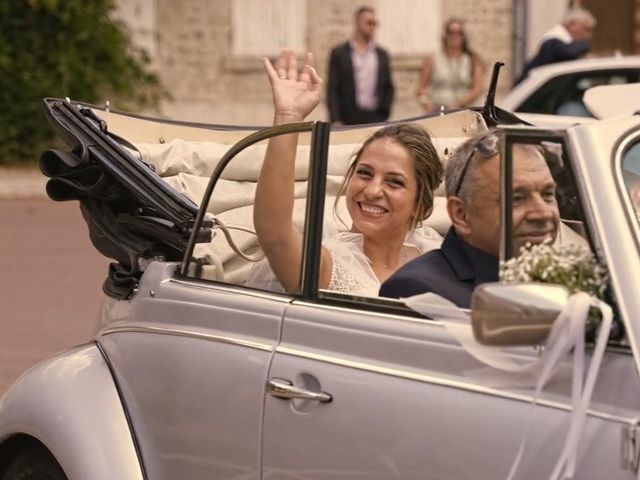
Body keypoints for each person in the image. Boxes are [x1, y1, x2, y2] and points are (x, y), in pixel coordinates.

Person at [251, 51, 443, 297]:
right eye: (364, 173)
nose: (372, 191)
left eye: (394, 182)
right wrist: (288, 118)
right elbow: (274, 232)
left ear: (420, 204)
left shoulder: (434, 257)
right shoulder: (326, 265)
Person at [379, 130, 560, 307]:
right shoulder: (418, 290)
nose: (543, 213)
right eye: (516, 199)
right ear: (461, 215)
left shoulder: (568, 274)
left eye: (547, 195)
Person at [326, 5, 394, 125]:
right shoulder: (340, 53)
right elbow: (333, 89)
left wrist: (385, 112)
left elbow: (388, 86)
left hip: (375, 116)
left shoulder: (382, 54)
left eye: (374, 23)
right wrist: (335, 118)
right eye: (368, 22)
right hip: (348, 117)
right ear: (357, 22)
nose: (372, 26)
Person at [415, 18, 485, 114]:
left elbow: (478, 88)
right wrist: (426, 102)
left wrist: (461, 102)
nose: (454, 36)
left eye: (458, 33)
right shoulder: (433, 59)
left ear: (463, 36)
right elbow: (420, 87)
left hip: (464, 110)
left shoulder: (473, 60)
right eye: (451, 33)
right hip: (438, 110)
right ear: (445, 35)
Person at [516, 7, 596, 84]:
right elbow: (567, 53)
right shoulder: (553, 40)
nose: (588, 36)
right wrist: (585, 45)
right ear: (572, 24)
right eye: (586, 29)